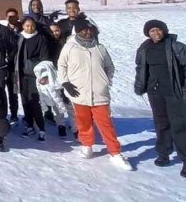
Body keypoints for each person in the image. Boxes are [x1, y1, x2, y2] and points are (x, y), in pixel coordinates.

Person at [58, 19, 131, 170]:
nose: (87, 32)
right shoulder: (70, 47)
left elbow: (110, 67)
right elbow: (61, 65)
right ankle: (87, 145)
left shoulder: (100, 48)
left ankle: (115, 153)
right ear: (77, 31)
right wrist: (65, 82)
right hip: (79, 92)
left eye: (89, 30)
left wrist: (106, 82)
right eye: (83, 30)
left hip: (99, 94)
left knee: (105, 124)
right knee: (83, 122)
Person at [135, 20, 186, 178]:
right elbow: (140, 68)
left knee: (180, 127)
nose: (156, 33)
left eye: (158, 30)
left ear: (164, 31)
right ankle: (164, 153)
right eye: (152, 31)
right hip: (155, 93)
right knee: (161, 124)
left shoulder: (177, 47)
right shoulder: (144, 49)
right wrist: (140, 85)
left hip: (176, 94)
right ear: (147, 33)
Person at [15, 16, 51, 141]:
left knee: (35, 101)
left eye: (32, 26)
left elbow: (45, 57)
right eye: (27, 26)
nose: (30, 28)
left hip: (35, 75)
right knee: (25, 101)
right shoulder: (19, 38)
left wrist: (36, 67)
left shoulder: (40, 38)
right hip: (20, 74)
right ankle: (29, 125)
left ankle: (41, 128)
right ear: (23, 26)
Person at [33, 61, 76, 139]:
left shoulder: (57, 78)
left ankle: (76, 129)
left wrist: (64, 95)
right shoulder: (39, 82)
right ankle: (61, 126)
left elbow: (63, 85)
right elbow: (41, 95)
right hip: (53, 100)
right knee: (58, 112)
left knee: (71, 111)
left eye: (44, 78)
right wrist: (44, 107)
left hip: (64, 97)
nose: (42, 81)